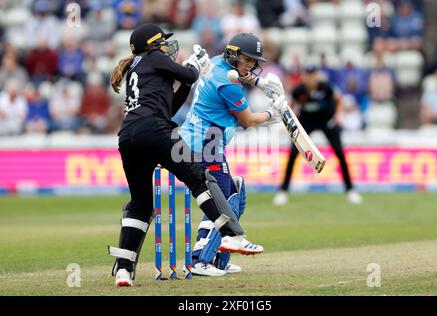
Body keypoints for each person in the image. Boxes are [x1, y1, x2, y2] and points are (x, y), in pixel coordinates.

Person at [107, 23, 264, 287]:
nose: (168, 47)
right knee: (199, 179)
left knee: (141, 203)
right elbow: (188, 76)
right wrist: (194, 65)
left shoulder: (140, 68)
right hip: (156, 132)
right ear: (153, 44)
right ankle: (230, 235)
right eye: (164, 42)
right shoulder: (153, 57)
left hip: (128, 137)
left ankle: (123, 269)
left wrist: (193, 74)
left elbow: (170, 106)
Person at [178, 33, 285, 276]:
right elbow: (247, 119)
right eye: (247, 59)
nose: (251, 65)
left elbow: (240, 77)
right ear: (234, 54)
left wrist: (259, 84)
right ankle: (201, 259)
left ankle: (216, 258)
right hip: (206, 141)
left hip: (202, 139)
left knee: (229, 193)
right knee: (220, 199)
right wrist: (272, 115)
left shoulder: (217, 62)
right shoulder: (228, 86)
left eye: (253, 61)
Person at [273, 65, 363, 206]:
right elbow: (290, 106)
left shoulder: (326, 88)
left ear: (317, 76)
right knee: (292, 154)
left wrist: (338, 116)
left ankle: (350, 190)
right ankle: (283, 191)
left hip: (326, 122)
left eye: (313, 75)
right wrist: (289, 121)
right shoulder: (299, 90)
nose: (310, 78)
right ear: (304, 76)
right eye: (307, 75)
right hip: (306, 123)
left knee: (339, 153)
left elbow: (339, 100)